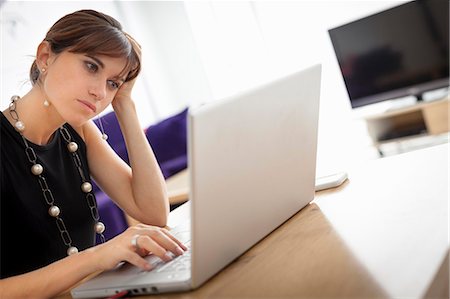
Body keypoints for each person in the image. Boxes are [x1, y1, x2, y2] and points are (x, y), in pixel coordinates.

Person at [0, 9, 187, 298]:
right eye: (91, 66)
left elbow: (153, 212)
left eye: (113, 82)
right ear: (45, 57)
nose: (101, 92)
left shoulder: (79, 131)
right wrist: (98, 256)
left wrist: (125, 105)